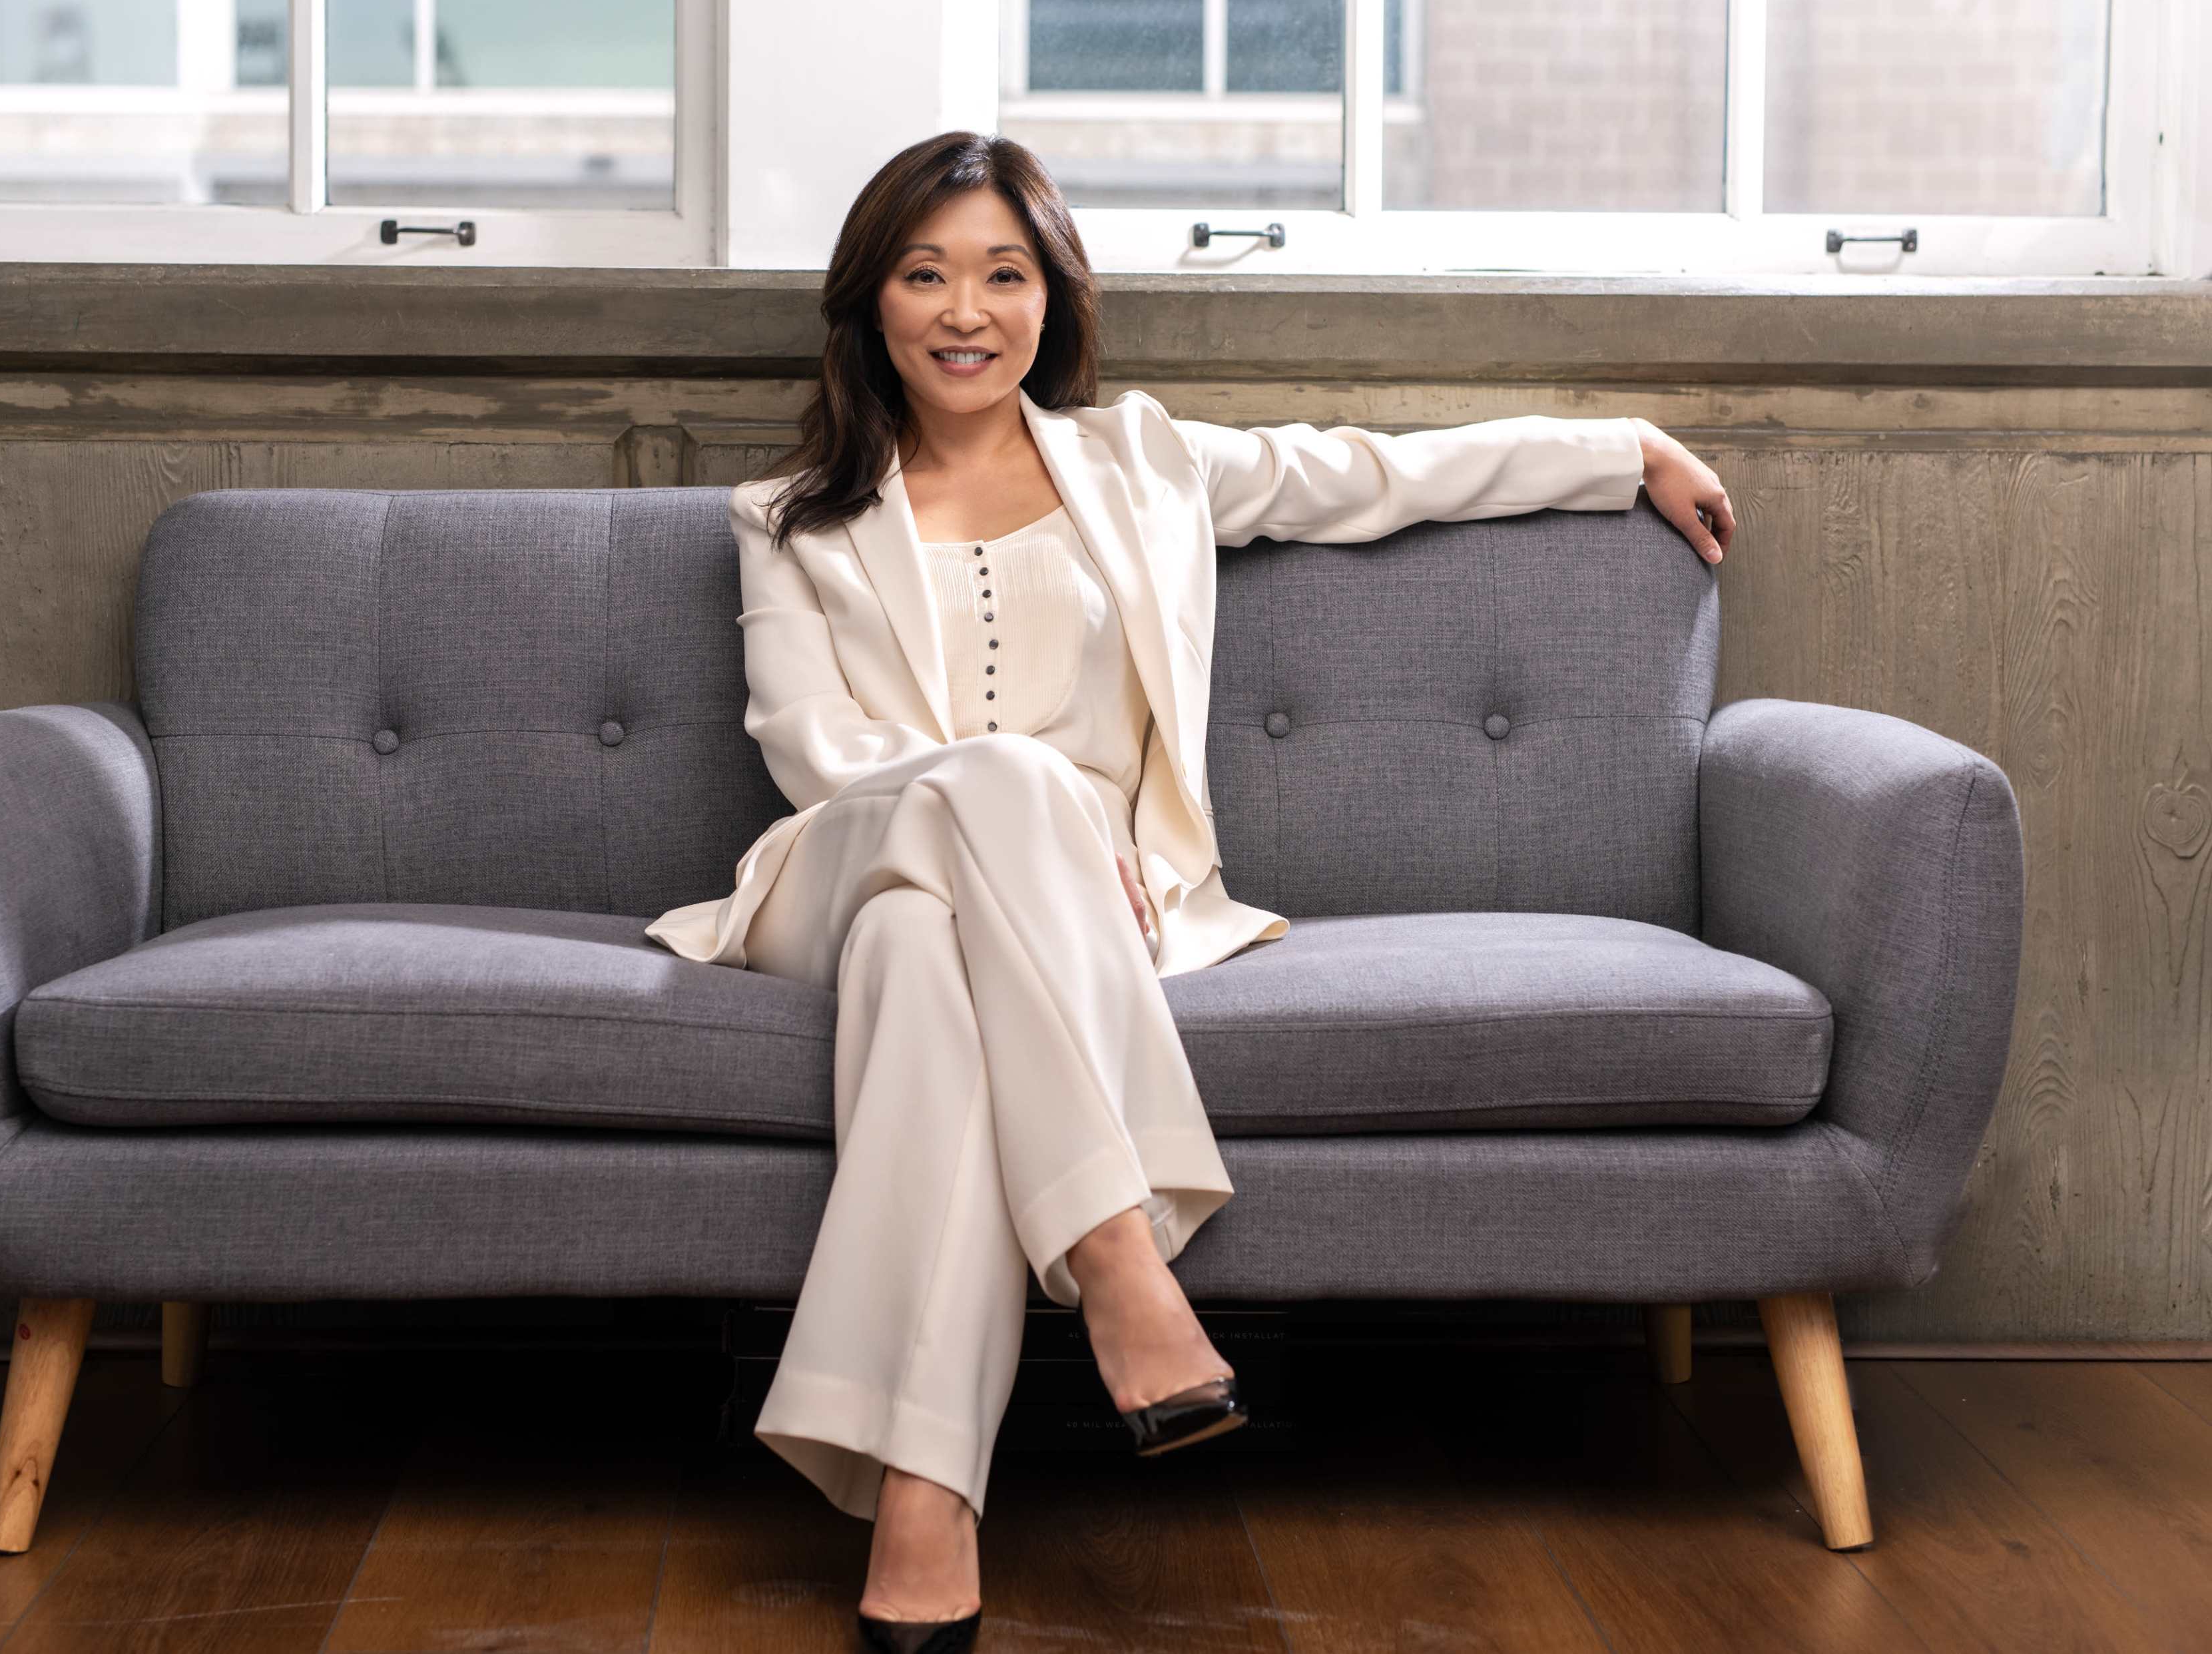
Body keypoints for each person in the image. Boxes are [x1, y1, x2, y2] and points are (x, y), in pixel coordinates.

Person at [645, 131, 1736, 1651]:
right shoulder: (790, 516)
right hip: (842, 860)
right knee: (962, 827)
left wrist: (1620, 447)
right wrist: (1006, 791)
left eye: (1004, 274)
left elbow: (1378, 473)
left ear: (1052, 296)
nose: (968, 309)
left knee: (924, 960)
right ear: (871, 303)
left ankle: (923, 1493)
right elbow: (819, 754)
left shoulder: (1145, 464)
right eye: (927, 272)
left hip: (1036, 918)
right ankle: (1116, 1257)